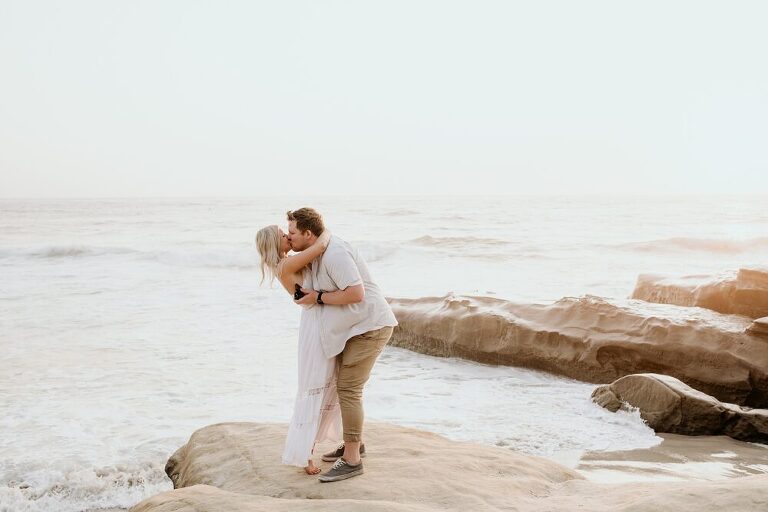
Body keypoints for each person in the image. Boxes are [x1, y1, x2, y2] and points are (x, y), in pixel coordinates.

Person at [287, 207, 398, 482]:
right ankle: (353, 444)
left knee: (348, 388)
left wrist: (319, 297)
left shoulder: (335, 253)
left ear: (308, 234)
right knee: (342, 386)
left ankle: (352, 460)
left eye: (292, 233)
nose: (289, 239)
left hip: (370, 327)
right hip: (354, 329)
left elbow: (357, 293)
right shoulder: (317, 252)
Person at [254, 224, 341, 475]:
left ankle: (319, 447)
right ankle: (305, 456)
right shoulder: (284, 266)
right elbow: (321, 245)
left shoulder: (287, 262)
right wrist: (322, 226)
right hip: (314, 327)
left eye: (288, 232)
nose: (287, 236)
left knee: (327, 385)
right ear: (274, 243)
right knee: (313, 388)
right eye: (283, 235)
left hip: (319, 322)